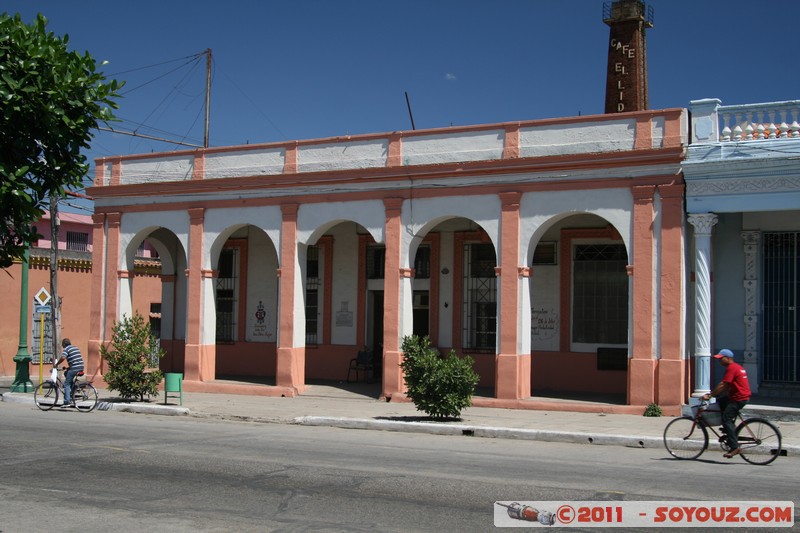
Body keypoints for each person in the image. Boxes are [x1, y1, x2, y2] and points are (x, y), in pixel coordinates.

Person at [702, 349, 751, 458]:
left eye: (721, 358)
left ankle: (734, 447)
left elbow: (723, 385)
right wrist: (715, 395)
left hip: (738, 398)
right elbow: (726, 386)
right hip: (738, 396)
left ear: (728, 358)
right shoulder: (737, 367)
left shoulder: (732, 368)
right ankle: (729, 430)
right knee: (720, 402)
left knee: (726, 419)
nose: (719, 361)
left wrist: (710, 395)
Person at [54, 338, 84, 407]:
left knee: (66, 384)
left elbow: (63, 357)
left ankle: (67, 401)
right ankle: (74, 388)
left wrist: (56, 364)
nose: (62, 346)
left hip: (74, 368)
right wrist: (67, 368)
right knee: (66, 373)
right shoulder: (75, 348)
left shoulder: (66, 349)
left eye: (62, 345)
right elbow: (75, 360)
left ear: (64, 344)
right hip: (81, 367)